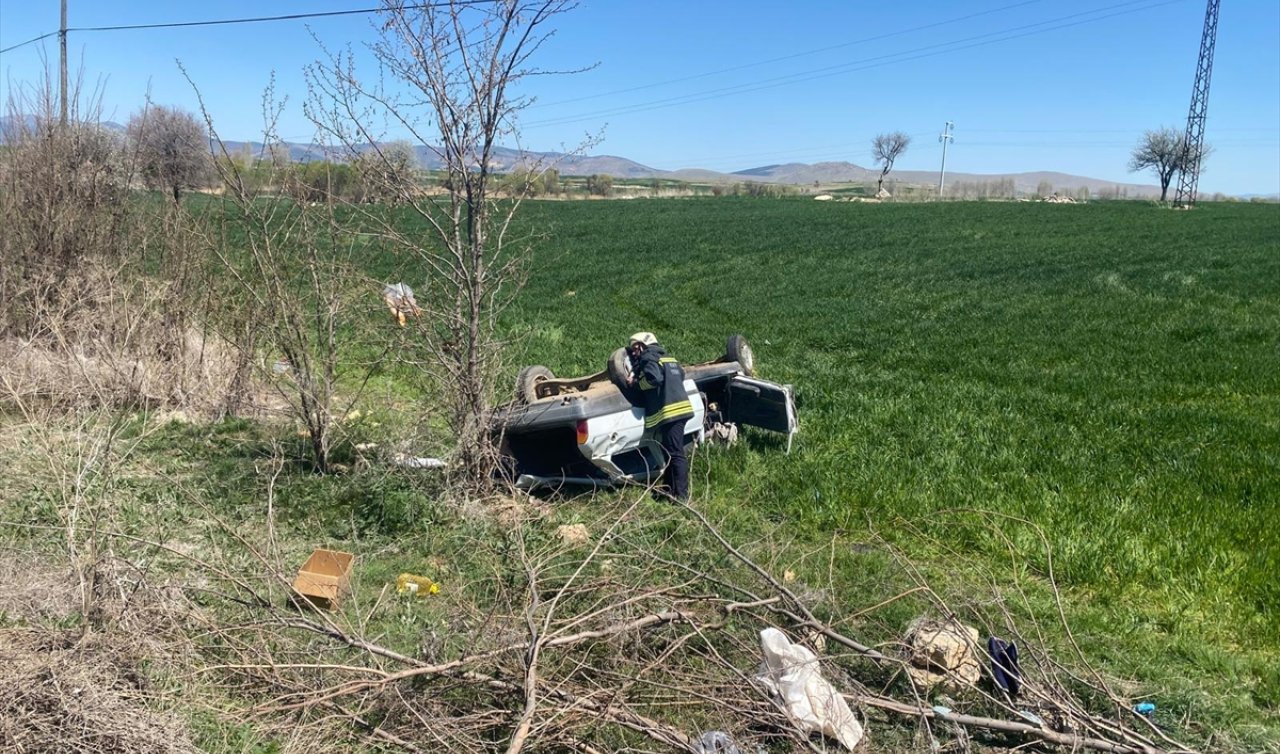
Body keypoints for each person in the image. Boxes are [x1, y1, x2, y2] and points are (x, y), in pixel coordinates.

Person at [626, 332, 694, 501]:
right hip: (682, 409)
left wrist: (636, 384)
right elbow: (681, 375)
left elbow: (653, 379)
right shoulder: (669, 358)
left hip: (670, 412)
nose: (634, 353)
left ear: (643, 345)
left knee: (675, 454)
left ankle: (681, 497)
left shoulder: (648, 358)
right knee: (670, 453)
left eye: (635, 348)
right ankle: (670, 490)